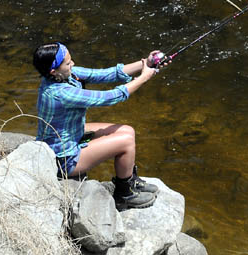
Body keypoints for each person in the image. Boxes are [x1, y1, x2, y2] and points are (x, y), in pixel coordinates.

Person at [32, 42, 165, 211]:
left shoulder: (62, 74)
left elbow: (105, 74)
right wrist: (144, 77)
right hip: (64, 158)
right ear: (54, 71)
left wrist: (145, 63)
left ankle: (130, 179)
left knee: (127, 131)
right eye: (68, 63)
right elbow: (110, 97)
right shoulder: (61, 93)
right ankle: (125, 194)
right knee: (126, 142)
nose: (72, 64)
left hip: (73, 134)